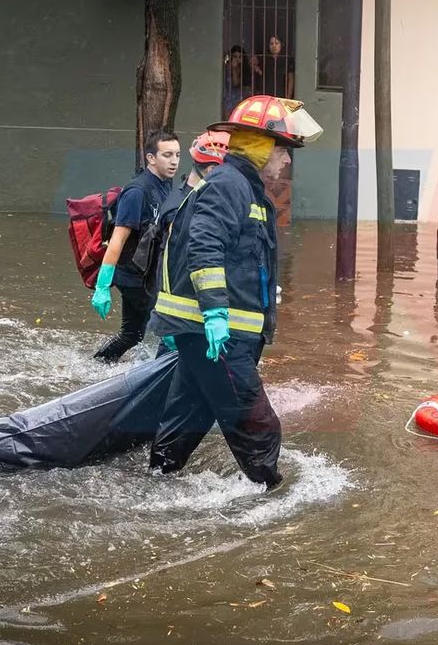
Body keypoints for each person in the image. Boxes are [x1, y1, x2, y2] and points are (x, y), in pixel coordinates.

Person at [148, 95, 322, 487]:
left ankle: (158, 479)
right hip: (216, 335)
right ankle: (272, 491)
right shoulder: (230, 184)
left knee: (188, 415)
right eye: (283, 149)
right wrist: (215, 313)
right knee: (255, 419)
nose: (288, 160)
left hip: (208, 334)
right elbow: (204, 243)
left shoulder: (242, 186)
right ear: (263, 146)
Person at [90, 130, 179, 363]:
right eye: (167, 155)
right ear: (151, 158)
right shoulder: (136, 192)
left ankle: (99, 364)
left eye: (177, 155)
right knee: (169, 330)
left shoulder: (165, 186)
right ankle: (169, 376)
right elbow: (117, 239)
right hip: (133, 276)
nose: (174, 161)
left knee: (133, 335)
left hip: (148, 273)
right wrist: (103, 285)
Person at [154, 131, 231, 357]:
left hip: (192, 316)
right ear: (211, 170)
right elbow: (169, 266)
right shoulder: (183, 209)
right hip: (181, 321)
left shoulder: (186, 198)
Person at [222, 45, 256, 119]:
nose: (237, 59)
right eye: (235, 56)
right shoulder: (226, 67)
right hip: (228, 98)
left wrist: (234, 69)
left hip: (240, 99)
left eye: (240, 57)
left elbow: (235, 83)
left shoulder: (244, 70)